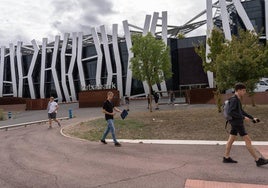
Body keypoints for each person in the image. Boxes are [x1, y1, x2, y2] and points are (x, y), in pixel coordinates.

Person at [223, 83, 268, 167]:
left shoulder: (237, 99)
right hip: (237, 123)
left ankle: (226, 157)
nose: (245, 92)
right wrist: (243, 118)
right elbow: (231, 112)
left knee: (231, 140)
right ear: (238, 90)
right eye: (243, 90)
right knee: (248, 140)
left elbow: (241, 111)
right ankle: (257, 159)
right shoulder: (234, 100)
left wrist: (252, 118)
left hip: (235, 122)